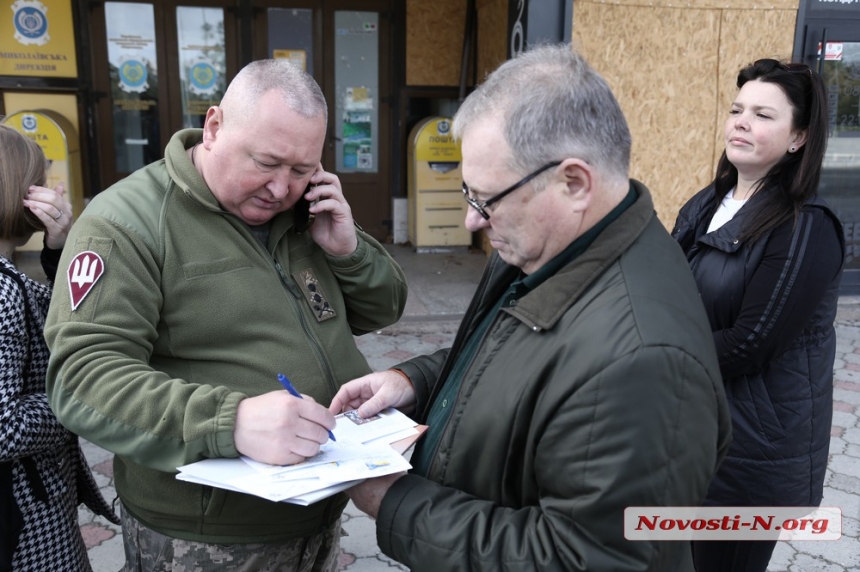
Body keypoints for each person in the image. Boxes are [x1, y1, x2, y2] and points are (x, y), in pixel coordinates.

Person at [328, 44, 732, 571]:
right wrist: (416, 383)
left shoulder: (644, 361)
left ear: (574, 183)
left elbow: (582, 558)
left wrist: (395, 504)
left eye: (485, 199)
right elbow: (512, 356)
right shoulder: (549, 245)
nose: (473, 221)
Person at [43, 59, 407, 571]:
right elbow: (83, 379)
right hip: (207, 536)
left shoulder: (307, 214)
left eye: (301, 170)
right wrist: (230, 422)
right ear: (214, 127)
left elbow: (383, 308)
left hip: (318, 507)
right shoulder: (125, 223)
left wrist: (348, 251)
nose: (282, 188)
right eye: (265, 162)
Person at [671, 58, 844, 572]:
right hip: (693, 432)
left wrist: (648, 357)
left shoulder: (805, 228)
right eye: (736, 108)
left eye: (764, 115)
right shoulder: (707, 203)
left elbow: (749, 344)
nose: (741, 122)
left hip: (752, 454)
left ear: (798, 139)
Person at [0, 123, 119, 571]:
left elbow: (49, 327)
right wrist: (74, 398)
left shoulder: (11, 282)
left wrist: (59, 252)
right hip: (24, 519)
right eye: (39, 180)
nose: (49, 191)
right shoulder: (3, 291)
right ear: (17, 190)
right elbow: (3, 426)